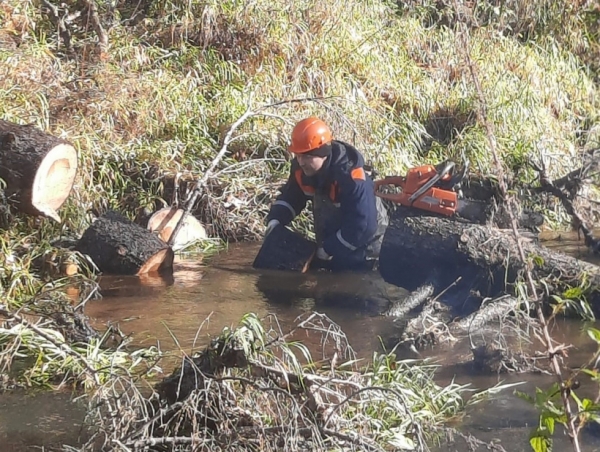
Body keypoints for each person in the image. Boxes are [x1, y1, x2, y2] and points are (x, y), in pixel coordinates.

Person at [264, 117, 388, 271]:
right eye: (298, 155)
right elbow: (291, 197)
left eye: (308, 156)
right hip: (334, 243)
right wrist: (275, 220)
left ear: (323, 154)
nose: (301, 162)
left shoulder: (351, 177)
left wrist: (328, 250)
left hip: (367, 250)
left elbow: (364, 225)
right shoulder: (301, 169)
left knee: (357, 286)